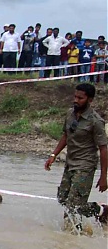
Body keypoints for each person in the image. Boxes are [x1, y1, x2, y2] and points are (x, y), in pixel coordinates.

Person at [45, 83, 108, 227]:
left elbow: (103, 149)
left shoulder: (95, 121)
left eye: (80, 98)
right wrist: (53, 155)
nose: (76, 100)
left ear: (90, 100)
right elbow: (66, 135)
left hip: (85, 166)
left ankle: (72, 234)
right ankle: (99, 210)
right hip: (70, 163)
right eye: (75, 96)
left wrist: (104, 176)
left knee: (73, 205)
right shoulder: (70, 114)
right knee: (62, 198)